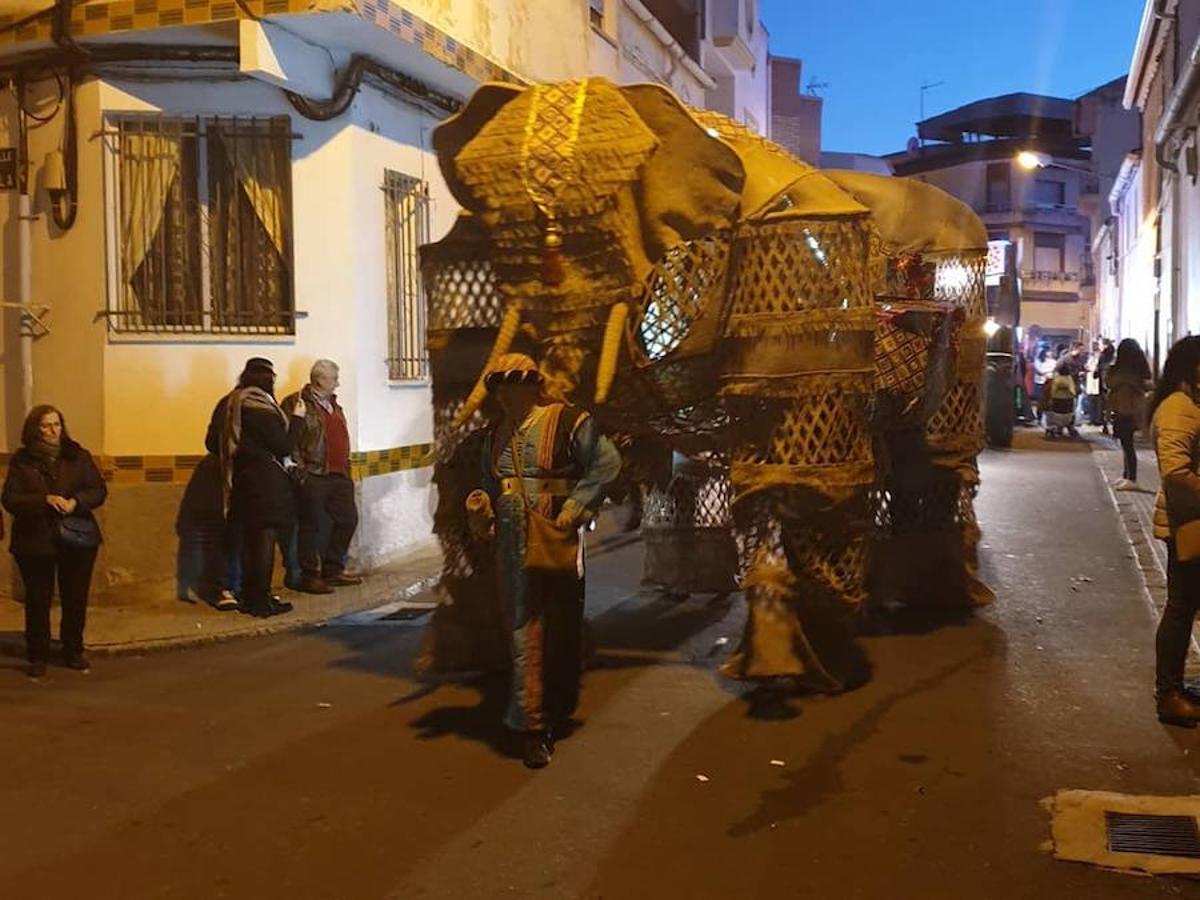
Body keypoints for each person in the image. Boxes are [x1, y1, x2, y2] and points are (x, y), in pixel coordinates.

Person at [467, 353, 621, 769]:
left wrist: (575, 506)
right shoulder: (494, 433)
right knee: (522, 626)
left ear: (534, 387)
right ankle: (531, 723)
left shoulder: (569, 422)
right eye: (500, 388)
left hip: (554, 535)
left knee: (559, 623)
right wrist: (484, 512)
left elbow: (607, 463)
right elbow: (489, 481)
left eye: (513, 387)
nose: (505, 396)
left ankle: (552, 708)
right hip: (512, 543)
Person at [3, 405, 107, 678]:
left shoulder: (78, 456)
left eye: (57, 424)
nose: (53, 431)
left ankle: (73, 649)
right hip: (35, 540)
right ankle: (38, 653)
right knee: (38, 599)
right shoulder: (22, 461)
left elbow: (97, 489)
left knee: (75, 597)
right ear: (34, 429)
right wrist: (44, 500)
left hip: (76, 538)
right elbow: (10, 499)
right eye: (46, 426)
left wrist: (76, 502)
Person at [205, 359, 302, 609]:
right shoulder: (260, 406)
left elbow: (211, 442)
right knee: (263, 540)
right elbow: (283, 446)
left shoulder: (229, 403)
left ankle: (239, 592)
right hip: (266, 483)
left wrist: (238, 454)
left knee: (242, 538)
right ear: (268, 380)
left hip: (239, 480)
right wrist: (298, 420)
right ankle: (260, 599)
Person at [1149, 335, 1200, 726]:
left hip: (1193, 520)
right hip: (1189, 524)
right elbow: (1177, 473)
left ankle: (1176, 689)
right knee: (1181, 608)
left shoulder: (1187, 404)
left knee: (1186, 606)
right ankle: (1168, 694)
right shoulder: (1178, 408)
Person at [282, 360, 362, 594]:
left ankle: (334, 568)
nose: (338, 383)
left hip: (338, 474)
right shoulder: (297, 403)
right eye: (334, 378)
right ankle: (311, 575)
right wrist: (299, 470)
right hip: (314, 473)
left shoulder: (334, 405)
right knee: (311, 526)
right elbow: (291, 437)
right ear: (321, 379)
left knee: (348, 519)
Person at [1107, 338, 1152, 491]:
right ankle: (1126, 475)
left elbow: (1109, 383)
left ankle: (1131, 478)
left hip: (1124, 409)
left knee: (1127, 445)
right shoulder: (1138, 370)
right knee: (1127, 444)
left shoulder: (1120, 372)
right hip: (1133, 409)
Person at [1033, 348, 1056, 422]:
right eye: (1049, 351)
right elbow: (1040, 370)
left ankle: (1049, 418)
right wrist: (1048, 371)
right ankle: (1039, 417)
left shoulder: (1053, 361)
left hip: (1050, 382)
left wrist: (1047, 372)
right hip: (1040, 382)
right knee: (1040, 401)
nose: (1050, 353)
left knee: (1048, 401)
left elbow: (1054, 370)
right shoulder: (1038, 361)